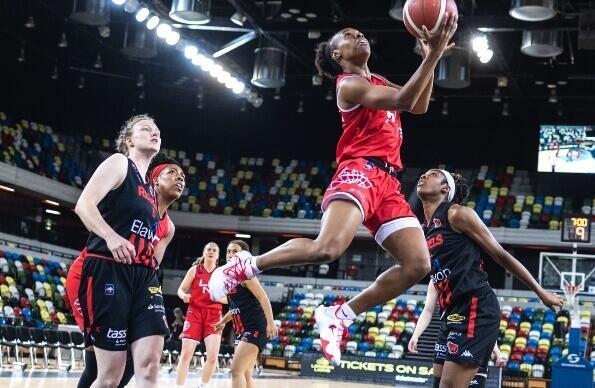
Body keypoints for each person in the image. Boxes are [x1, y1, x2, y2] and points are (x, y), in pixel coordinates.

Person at [209, 15, 458, 365]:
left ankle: (339, 316)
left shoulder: (377, 79)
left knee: (418, 264)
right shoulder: (348, 85)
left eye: (358, 31)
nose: (358, 34)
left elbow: (419, 104)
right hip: (360, 170)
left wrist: (430, 57)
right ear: (338, 55)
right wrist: (432, 55)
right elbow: (404, 99)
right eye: (347, 36)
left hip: (388, 183)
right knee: (327, 249)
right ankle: (245, 266)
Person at [413, 168, 563, 388]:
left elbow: (499, 254)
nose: (424, 176)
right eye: (424, 173)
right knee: (437, 383)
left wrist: (540, 291)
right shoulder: (425, 229)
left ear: (445, 188)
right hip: (450, 313)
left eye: (433, 174)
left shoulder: (457, 214)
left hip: (475, 306)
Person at [66, 152, 185, 388]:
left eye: (182, 175)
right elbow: (89, 206)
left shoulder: (168, 227)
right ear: (153, 179)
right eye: (172, 172)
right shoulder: (133, 195)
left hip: (132, 281)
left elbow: (152, 264)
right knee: (97, 364)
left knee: (133, 361)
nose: (179, 178)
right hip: (91, 275)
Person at [408, 282, 504, 388]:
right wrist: (415, 335)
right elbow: (427, 310)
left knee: (473, 379)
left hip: (471, 328)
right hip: (448, 328)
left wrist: (495, 349)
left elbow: (485, 321)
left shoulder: (476, 275)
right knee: (438, 382)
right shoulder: (436, 278)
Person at [213, 240, 277, 388]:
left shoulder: (246, 275)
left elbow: (263, 297)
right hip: (242, 331)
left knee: (236, 371)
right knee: (246, 373)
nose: (230, 254)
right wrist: (223, 321)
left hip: (254, 327)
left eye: (235, 251)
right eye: (228, 251)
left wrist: (271, 322)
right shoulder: (230, 279)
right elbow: (236, 307)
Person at [175, 242, 223, 388]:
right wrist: (184, 296)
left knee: (213, 357)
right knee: (185, 355)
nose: (211, 252)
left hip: (214, 314)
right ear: (203, 252)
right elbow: (180, 290)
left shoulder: (221, 273)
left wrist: (216, 297)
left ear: (218, 255)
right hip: (194, 313)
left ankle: (202, 385)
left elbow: (229, 298)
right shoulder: (194, 270)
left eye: (214, 250)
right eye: (208, 249)